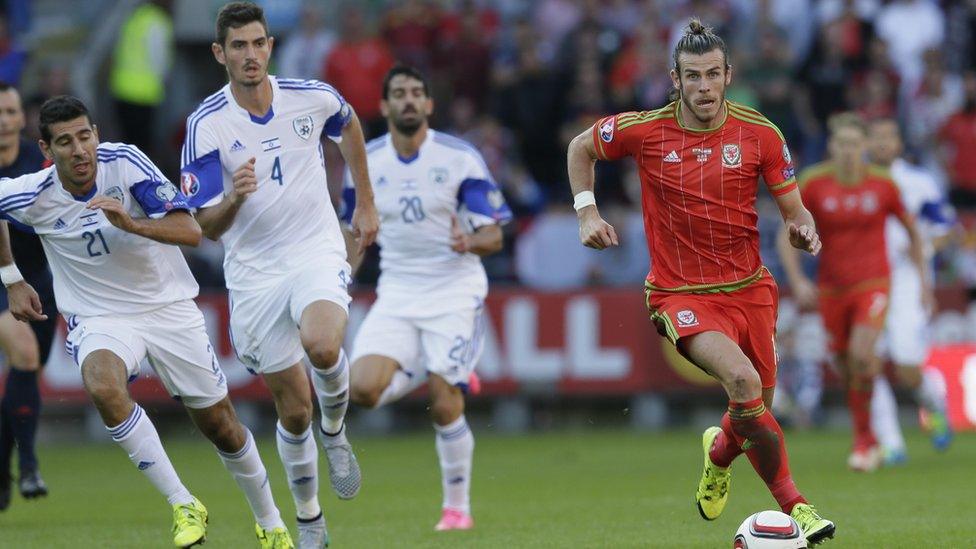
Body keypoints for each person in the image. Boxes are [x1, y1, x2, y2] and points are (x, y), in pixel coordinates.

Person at [566, 19, 835, 545]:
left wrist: (804, 232)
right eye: (693, 77)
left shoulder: (760, 133)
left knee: (753, 408)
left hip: (751, 290)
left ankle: (717, 456)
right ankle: (797, 507)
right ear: (676, 78)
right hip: (680, 292)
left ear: (729, 75)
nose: (705, 87)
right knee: (743, 383)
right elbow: (580, 147)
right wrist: (586, 213)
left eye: (713, 75)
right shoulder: (644, 130)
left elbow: (796, 213)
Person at [0, 95, 292, 548]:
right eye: (64, 142)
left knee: (222, 426)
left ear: (96, 134)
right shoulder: (33, 193)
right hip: (100, 317)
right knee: (101, 384)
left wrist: (131, 223)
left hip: (167, 308)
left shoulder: (126, 164)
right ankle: (183, 502)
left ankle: (271, 523)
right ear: (46, 150)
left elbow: (191, 231)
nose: (79, 150)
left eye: (84, 136)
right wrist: (10, 277)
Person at [179, 4, 379, 547]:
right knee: (294, 411)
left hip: (314, 249)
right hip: (253, 275)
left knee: (321, 344)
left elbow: (350, 123)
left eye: (257, 44)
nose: (250, 55)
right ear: (220, 53)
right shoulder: (205, 126)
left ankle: (335, 431)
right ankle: (310, 519)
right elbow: (206, 226)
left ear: (270, 45)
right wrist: (237, 198)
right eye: (237, 47)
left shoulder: (310, 96)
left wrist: (364, 203)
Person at [346, 65, 511, 532]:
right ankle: (424, 365)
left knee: (443, 402)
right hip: (397, 291)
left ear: (429, 104)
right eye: (399, 94)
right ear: (384, 106)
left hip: (453, 289)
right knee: (361, 391)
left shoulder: (459, 158)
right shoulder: (367, 162)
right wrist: (339, 281)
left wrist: (468, 242)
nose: (409, 101)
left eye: (417, 93)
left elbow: (493, 236)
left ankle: (456, 509)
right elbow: (352, 232)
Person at [778, 113, 927, 474]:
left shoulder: (883, 184)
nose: (848, 151)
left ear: (864, 147)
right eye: (842, 144)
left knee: (862, 354)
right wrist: (798, 280)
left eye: (855, 144)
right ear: (832, 146)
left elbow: (912, 232)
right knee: (846, 368)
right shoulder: (814, 184)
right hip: (832, 288)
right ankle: (868, 438)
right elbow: (788, 234)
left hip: (874, 283)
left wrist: (923, 283)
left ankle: (866, 441)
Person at [866, 117, 953, 463]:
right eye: (877, 137)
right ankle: (890, 441)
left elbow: (947, 228)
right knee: (867, 362)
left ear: (899, 143)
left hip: (906, 279)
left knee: (905, 364)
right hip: (866, 279)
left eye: (889, 136)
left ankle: (933, 403)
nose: (883, 143)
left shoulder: (918, 183)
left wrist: (923, 253)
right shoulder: (858, 181)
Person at [0, 82, 54, 510]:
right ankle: (32, 464)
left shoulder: (40, 161)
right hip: (2, 280)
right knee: (25, 355)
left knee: (28, 374)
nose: (4, 120)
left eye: (11, 111)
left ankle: (3, 464)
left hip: (40, 276)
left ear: (22, 118)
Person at [109, 0, 173, 156]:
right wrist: (164, 81)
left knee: (126, 145)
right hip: (143, 94)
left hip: (121, 90)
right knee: (142, 148)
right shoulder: (157, 21)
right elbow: (159, 59)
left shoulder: (134, 17)